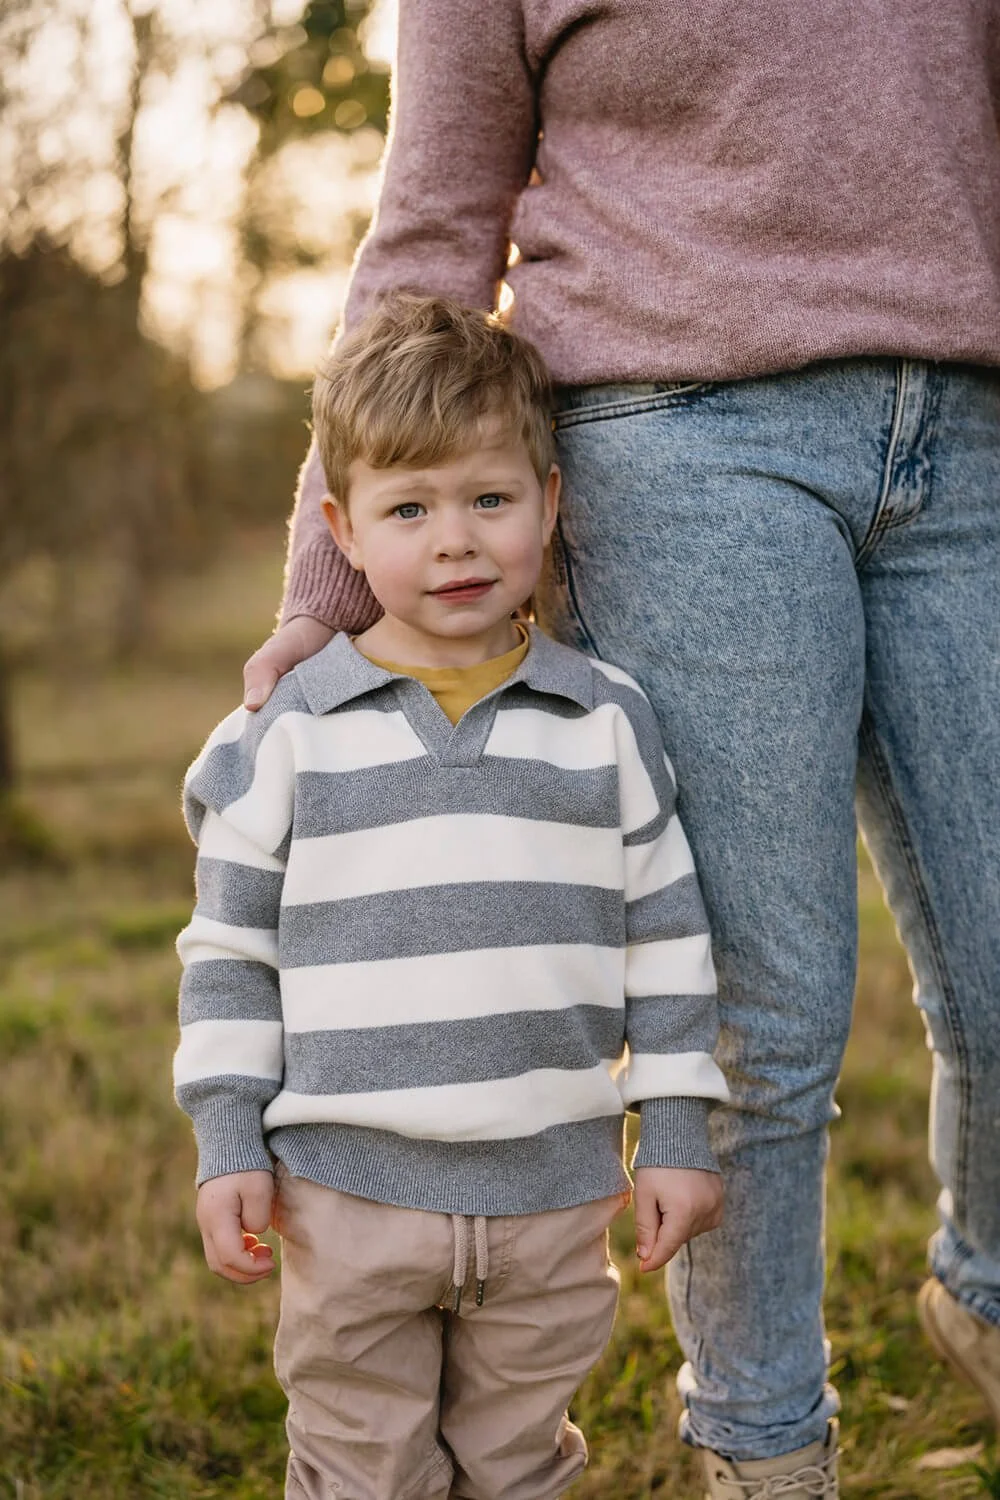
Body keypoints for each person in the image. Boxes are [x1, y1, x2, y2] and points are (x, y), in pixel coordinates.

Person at [242, 7, 1000, 1495]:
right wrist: (323, 598)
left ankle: (983, 1293)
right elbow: (433, 222)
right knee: (768, 1008)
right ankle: (767, 1445)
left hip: (973, 425)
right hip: (685, 435)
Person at [176, 294, 728, 1500]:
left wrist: (676, 1128)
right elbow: (227, 954)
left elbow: (670, 945)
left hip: (551, 1195)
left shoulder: (605, 720)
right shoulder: (286, 735)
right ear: (344, 528)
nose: (455, 543)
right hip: (344, 1194)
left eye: (489, 499)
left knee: (519, 1464)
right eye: (409, 509)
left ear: (549, 500)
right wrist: (228, 1139)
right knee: (362, 1469)